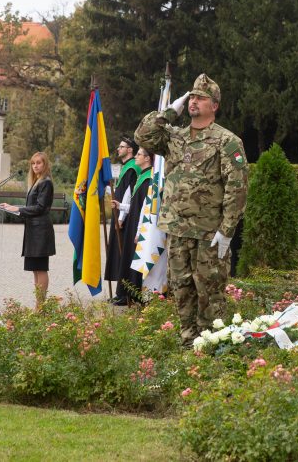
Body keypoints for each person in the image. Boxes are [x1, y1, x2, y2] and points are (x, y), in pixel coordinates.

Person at [135, 73, 248, 345]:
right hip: (177, 230)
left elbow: (237, 188)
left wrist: (227, 230)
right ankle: (188, 343)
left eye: (201, 98)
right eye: (192, 97)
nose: (194, 101)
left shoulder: (227, 141)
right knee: (181, 289)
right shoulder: (175, 137)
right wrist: (169, 113)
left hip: (209, 233)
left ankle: (212, 347)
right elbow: (143, 135)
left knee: (209, 293)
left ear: (214, 105)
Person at [0, 152, 55, 308]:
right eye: (33, 163)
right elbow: (32, 207)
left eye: (38, 163)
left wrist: (18, 209)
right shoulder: (37, 181)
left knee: (41, 268)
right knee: (35, 269)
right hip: (33, 231)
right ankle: (39, 305)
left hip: (40, 232)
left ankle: (40, 307)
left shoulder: (46, 182)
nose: (35, 166)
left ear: (45, 164)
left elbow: (40, 208)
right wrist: (13, 208)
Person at [109, 147, 154, 306]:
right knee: (129, 260)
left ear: (147, 158)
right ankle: (129, 294)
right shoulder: (142, 176)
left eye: (139, 154)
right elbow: (135, 206)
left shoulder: (149, 179)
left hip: (140, 227)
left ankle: (137, 296)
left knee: (137, 261)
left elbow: (145, 209)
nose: (136, 156)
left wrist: (140, 230)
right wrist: (120, 206)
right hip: (134, 225)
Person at [104, 136, 141, 303]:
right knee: (118, 254)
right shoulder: (126, 167)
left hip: (124, 217)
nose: (118, 149)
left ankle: (126, 293)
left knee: (123, 255)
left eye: (122, 146)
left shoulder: (133, 168)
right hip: (119, 213)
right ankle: (120, 292)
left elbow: (129, 195)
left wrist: (121, 217)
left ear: (130, 150)